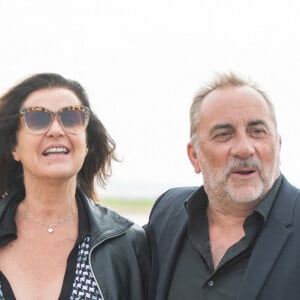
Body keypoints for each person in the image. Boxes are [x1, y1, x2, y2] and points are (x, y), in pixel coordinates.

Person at [146, 72, 300, 300]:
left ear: (277, 144)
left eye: (257, 132)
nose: (244, 149)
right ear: (194, 156)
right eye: (224, 135)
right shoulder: (167, 213)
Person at [0, 73, 148, 300]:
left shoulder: (126, 244)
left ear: (86, 143)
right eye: (38, 120)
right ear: (14, 147)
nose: (57, 130)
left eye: (71, 118)